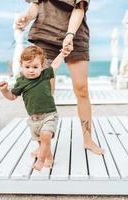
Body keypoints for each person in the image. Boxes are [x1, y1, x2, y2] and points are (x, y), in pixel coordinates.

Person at [15, 0, 104, 155]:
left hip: (75, 36)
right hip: (44, 35)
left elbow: (79, 8)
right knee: (45, 90)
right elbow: (36, 5)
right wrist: (26, 17)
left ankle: (88, 140)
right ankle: (43, 144)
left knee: (82, 89)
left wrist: (69, 35)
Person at [0, 45, 67, 171]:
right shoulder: (21, 82)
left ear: (42, 66)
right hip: (34, 120)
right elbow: (12, 96)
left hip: (49, 115)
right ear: (22, 66)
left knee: (46, 136)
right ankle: (49, 157)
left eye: (35, 67)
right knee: (42, 143)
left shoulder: (45, 75)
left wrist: (62, 54)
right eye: (27, 67)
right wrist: (4, 90)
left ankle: (40, 160)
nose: (31, 70)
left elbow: (55, 64)